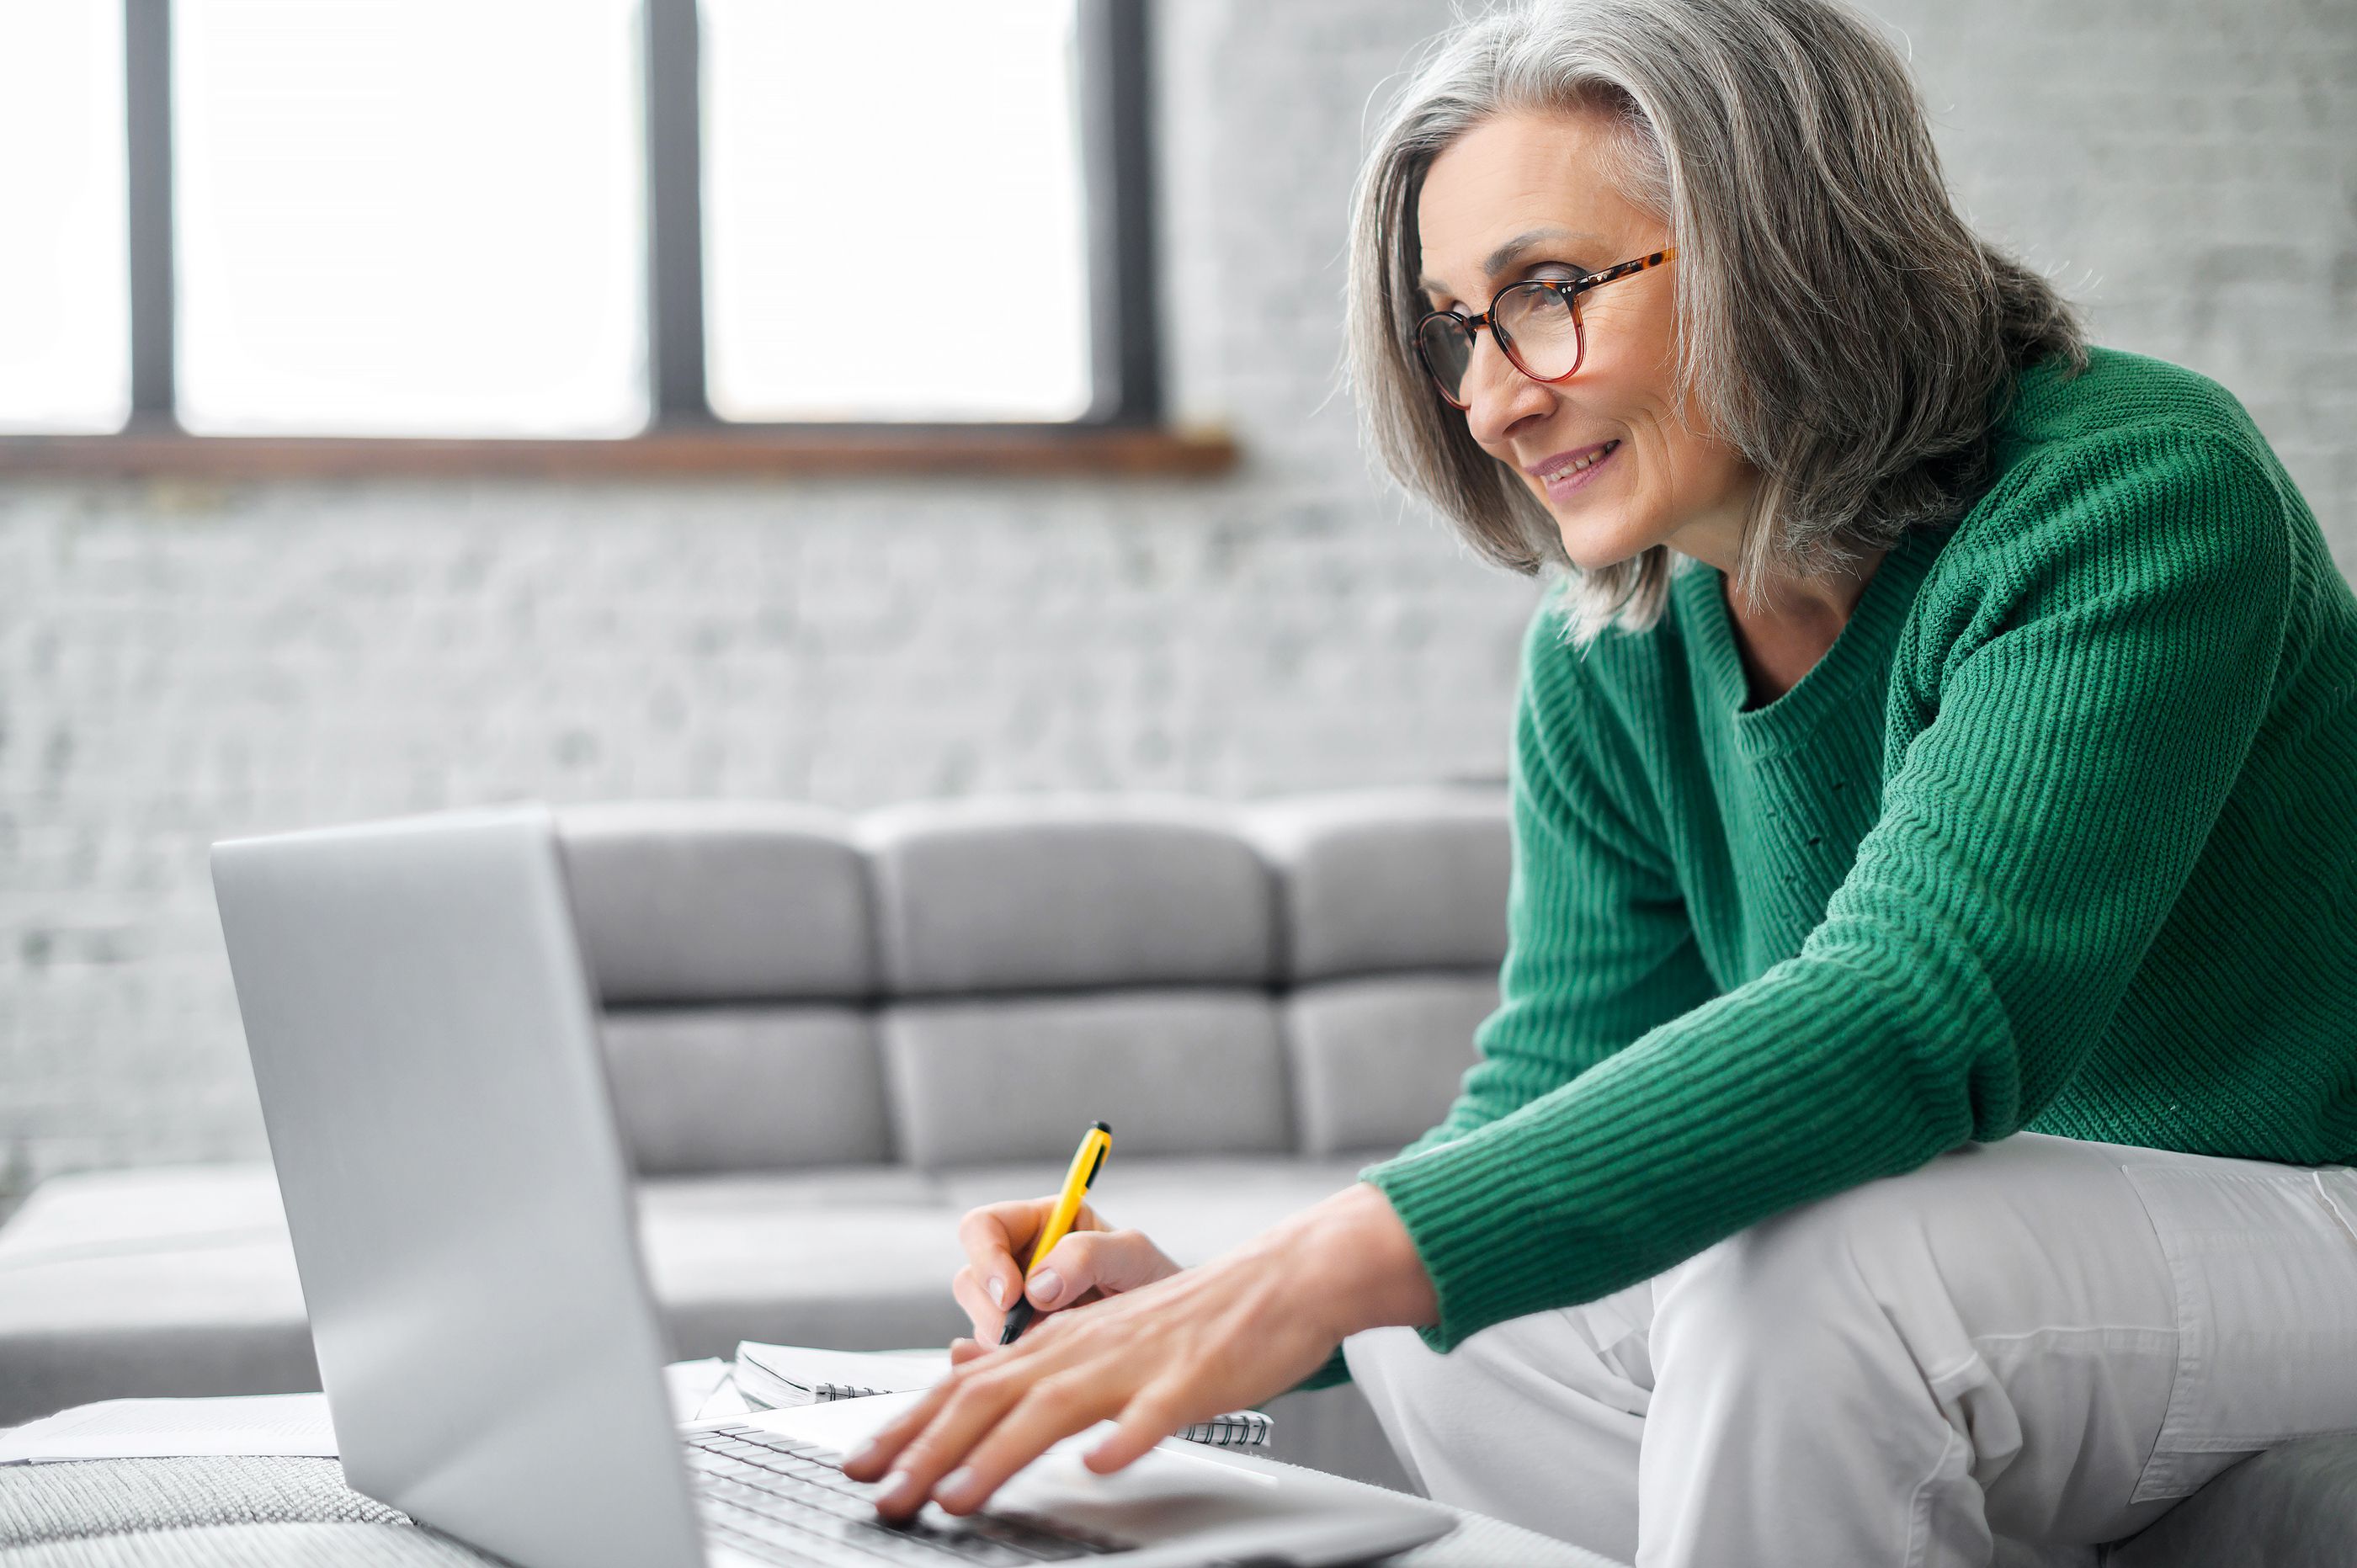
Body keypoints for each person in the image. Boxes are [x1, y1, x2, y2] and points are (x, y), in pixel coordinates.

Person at [841, 1, 2357, 1561]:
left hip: (2307, 1200)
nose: (1494, 398)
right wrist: (1220, 1308)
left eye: (1546, 293)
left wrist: (1318, 1269)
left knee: (1814, 1271)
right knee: (1462, 1319)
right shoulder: (1614, 641)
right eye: (1453, 328)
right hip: (2012, 1262)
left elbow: (1925, 1007)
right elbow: (1540, 1101)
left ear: (1791, 242)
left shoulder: (2133, 490)